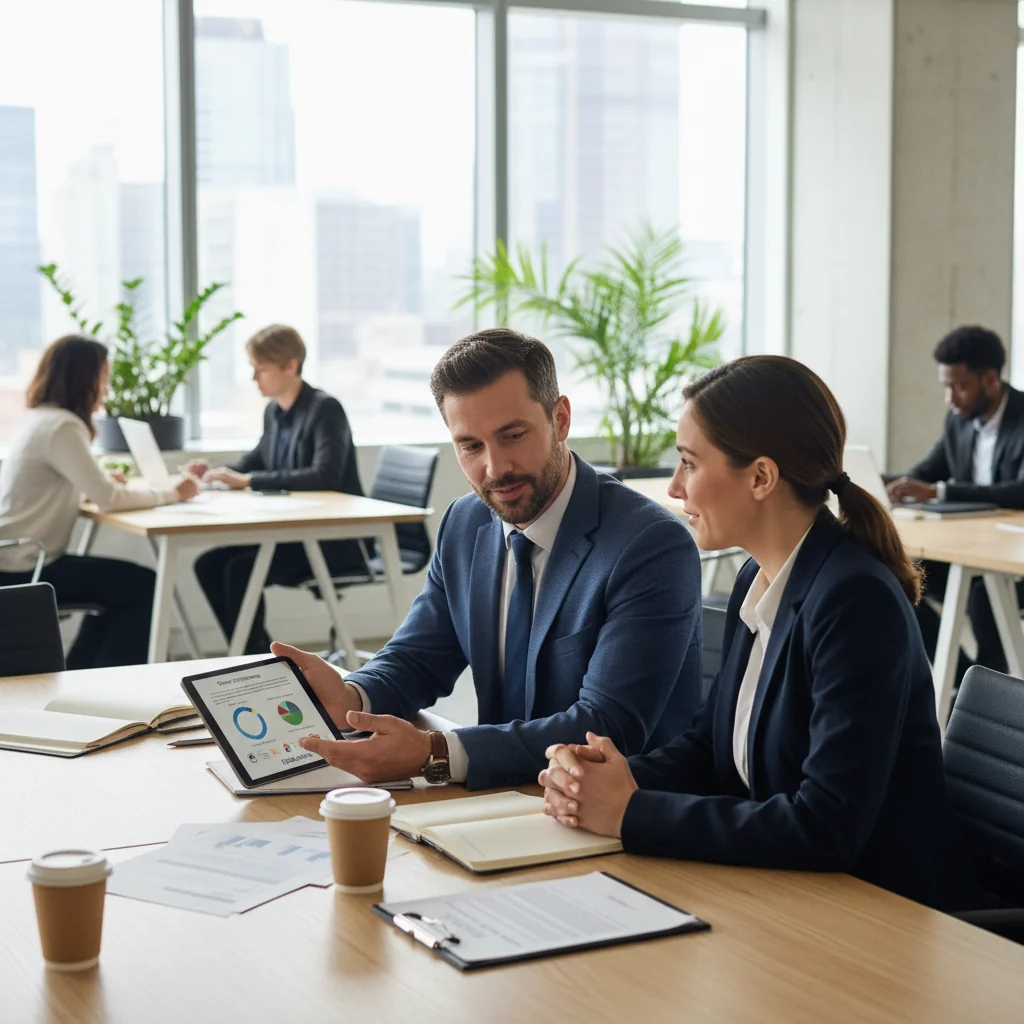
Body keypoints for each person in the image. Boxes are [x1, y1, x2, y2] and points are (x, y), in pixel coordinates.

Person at [539, 355, 980, 912]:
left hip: (882, 914)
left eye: (689, 464)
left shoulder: (854, 601)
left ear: (762, 477)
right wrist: (603, 781)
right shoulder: (759, 573)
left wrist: (632, 812)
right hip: (791, 895)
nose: (675, 487)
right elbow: (712, 748)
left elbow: (826, 826)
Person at [275, 327, 703, 790]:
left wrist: (435, 753)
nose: (495, 468)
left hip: (618, 819)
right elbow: (420, 657)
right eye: (471, 446)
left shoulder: (650, 543)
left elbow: (606, 727)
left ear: (560, 419)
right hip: (503, 798)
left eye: (513, 435)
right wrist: (350, 695)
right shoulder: (466, 522)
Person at [0, 335, 199, 668]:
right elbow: (109, 500)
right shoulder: (63, 426)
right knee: (141, 586)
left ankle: (82, 672)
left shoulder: (40, 418)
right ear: (83, 380)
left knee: (126, 587)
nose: (105, 390)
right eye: (102, 379)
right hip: (23, 566)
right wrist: (173, 493)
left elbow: (61, 486)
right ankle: (100, 677)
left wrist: (92, 486)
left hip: (13, 555)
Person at [185, 324, 368, 654]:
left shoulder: (325, 409)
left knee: (239, 570)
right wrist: (217, 473)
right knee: (209, 565)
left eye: (262, 369)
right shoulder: (274, 411)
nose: (255, 377)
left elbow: (324, 475)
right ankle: (253, 653)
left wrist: (250, 481)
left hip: (333, 540)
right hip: (293, 535)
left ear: (291, 365)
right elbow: (259, 457)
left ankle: (258, 658)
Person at [887, 325, 1024, 677]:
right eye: (946, 387)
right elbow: (926, 471)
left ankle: (992, 701)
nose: (950, 398)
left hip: (1015, 559)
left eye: (959, 386)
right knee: (898, 578)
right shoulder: (958, 421)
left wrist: (939, 491)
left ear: (990, 379)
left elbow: (1019, 490)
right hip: (973, 551)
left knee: (985, 597)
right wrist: (888, 483)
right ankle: (965, 679)